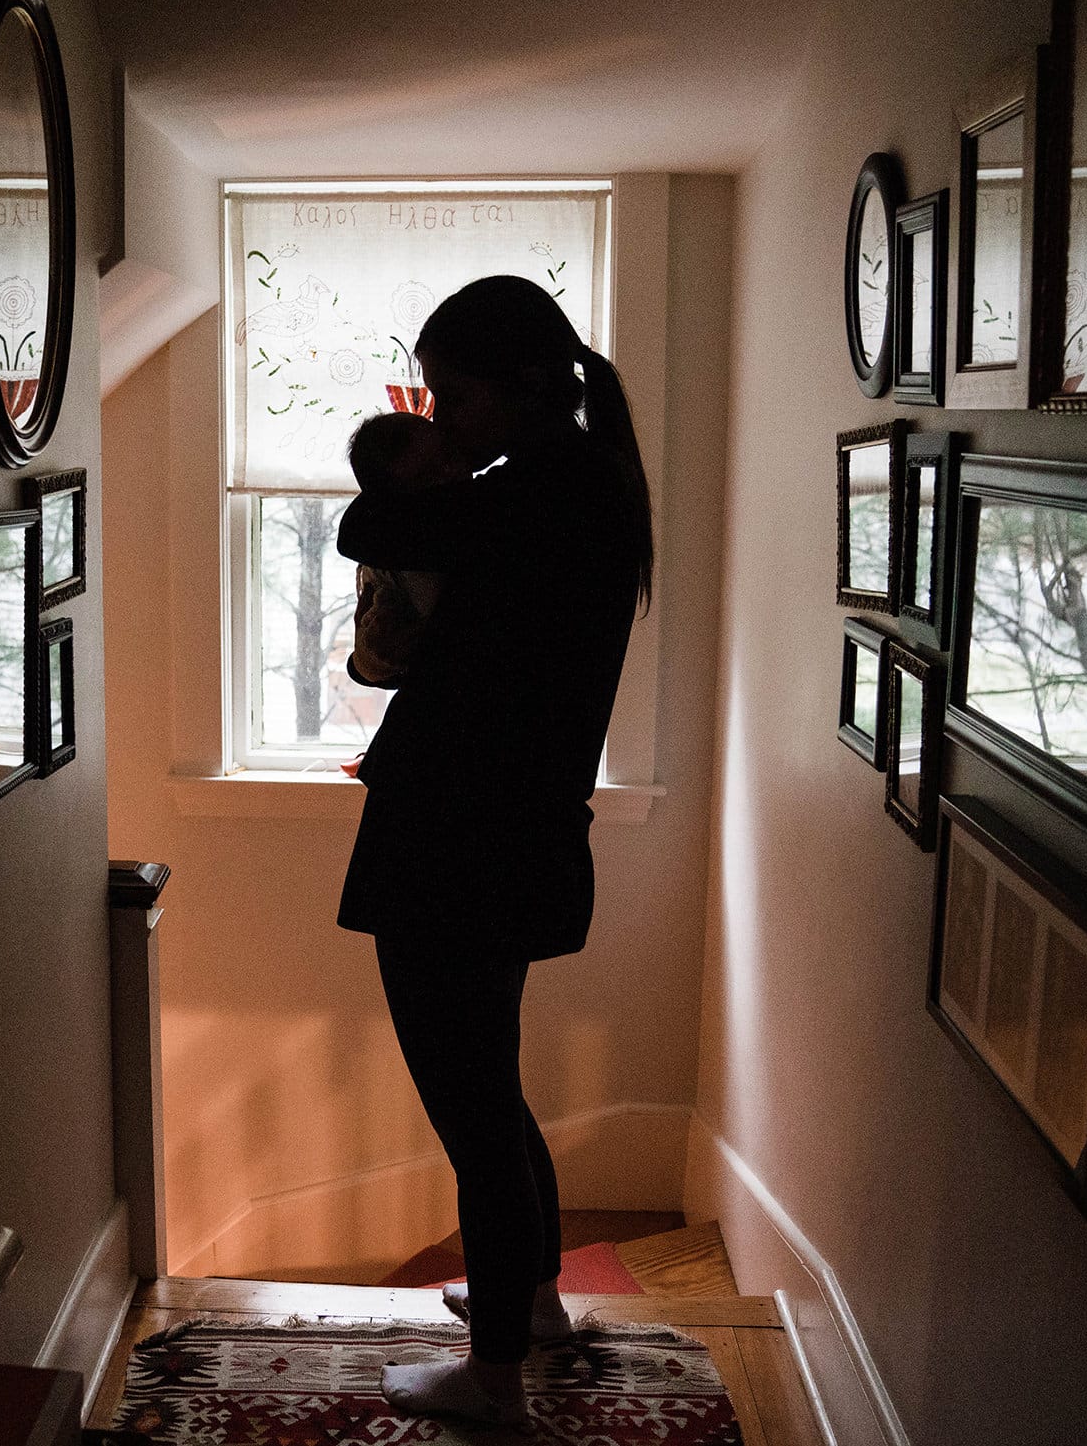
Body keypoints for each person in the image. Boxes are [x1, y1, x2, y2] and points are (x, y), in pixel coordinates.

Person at [335, 275, 654, 1427]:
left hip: (455, 848)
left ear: (519, 389)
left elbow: (364, 523)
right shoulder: (576, 485)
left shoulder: (534, 493)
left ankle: (496, 1382)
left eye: (452, 398)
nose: (438, 422)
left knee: (471, 1111)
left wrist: (438, 478)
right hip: (505, 841)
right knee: (493, 1091)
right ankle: (536, 1308)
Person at [345, 410, 465, 687]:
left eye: (448, 454)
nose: (452, 471)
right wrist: (368, 661)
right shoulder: (406, 553)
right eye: (429, 475)